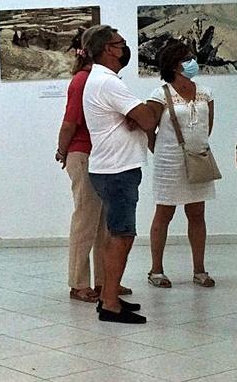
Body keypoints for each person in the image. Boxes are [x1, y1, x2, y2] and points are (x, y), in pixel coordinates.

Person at [82, 25, 156, 324]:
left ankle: (108, 296)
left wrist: (135, 118)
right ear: (109, 49)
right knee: (122, 235)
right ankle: (110, 302)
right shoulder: (108, 83)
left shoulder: (100, 80)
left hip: (112, 167)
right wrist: (142, 114)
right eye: (121, 43)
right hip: (117, 169)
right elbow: (149, 118)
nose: (124, 47)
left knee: (118, 234)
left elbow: (139, 119)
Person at [56, 45, 132, 302]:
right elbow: (70, 122)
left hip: (100, 157)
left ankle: (104, 282)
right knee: (86, 221)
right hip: (84, 154)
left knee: (103, 224)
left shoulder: (98, 80)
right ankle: (79, 283)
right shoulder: (83, 81)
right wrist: (62, 150)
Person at [145, 41, 216, 289]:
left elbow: (208, 125)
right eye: (187, 58)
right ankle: (156, 270)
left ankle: (199, 269)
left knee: (197, 213)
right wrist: (159, 149)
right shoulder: (159, 95)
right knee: (164, 213)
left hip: (197, 159)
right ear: (174, 64)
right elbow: (148, 127)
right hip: (169, 161)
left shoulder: (205, 92)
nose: (192, 61)